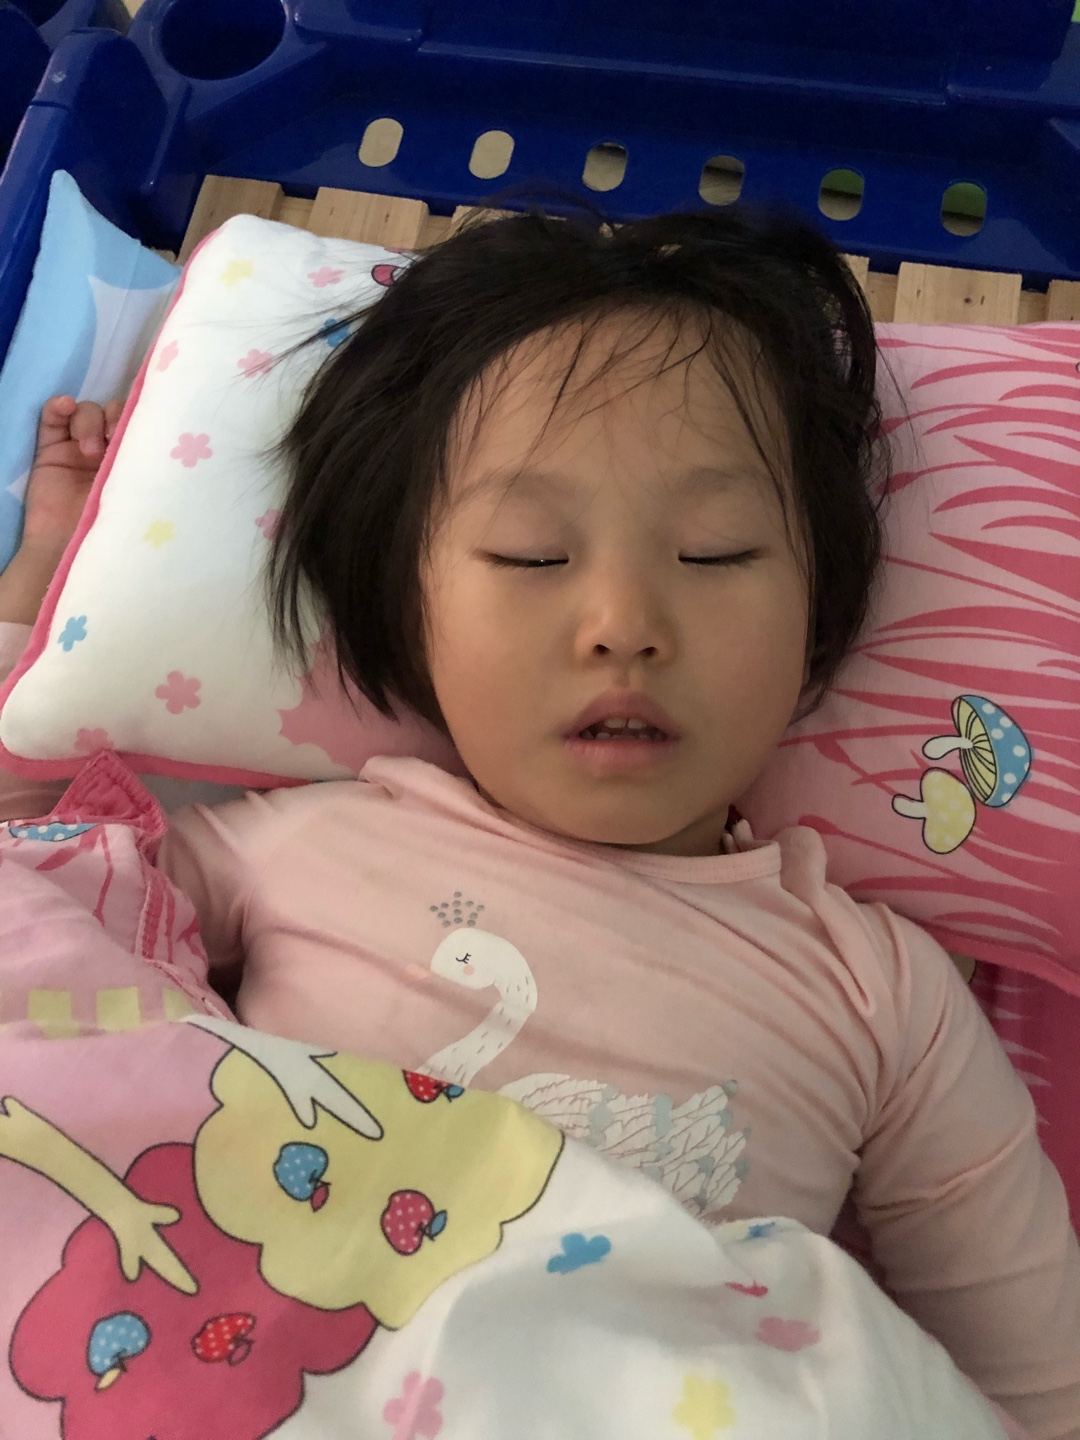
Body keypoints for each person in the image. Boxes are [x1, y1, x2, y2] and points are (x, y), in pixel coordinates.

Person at [1, 205, 1077, 1439]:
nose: (624, 623)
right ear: (404, 604)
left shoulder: (884, 996)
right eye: (529, 554)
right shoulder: (299, 846)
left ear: (817, 613)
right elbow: (41, 917)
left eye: (715, 553)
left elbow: (1041, 1392)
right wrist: (44, 582)